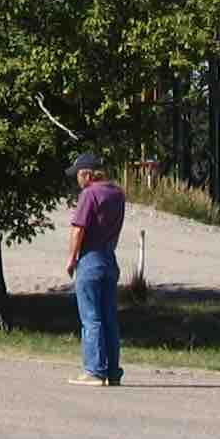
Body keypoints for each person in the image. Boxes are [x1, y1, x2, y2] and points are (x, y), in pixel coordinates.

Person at [64, 149, 126, 387]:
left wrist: (72, 258)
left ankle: (94, 370)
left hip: (90, 258)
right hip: (109, 257)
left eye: (78, 175)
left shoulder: (90, 194)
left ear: (87, 174)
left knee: (91, 317)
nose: (77, 181)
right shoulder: (117, 194)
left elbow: (79, 228)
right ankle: (112, 371)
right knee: (109, 317)